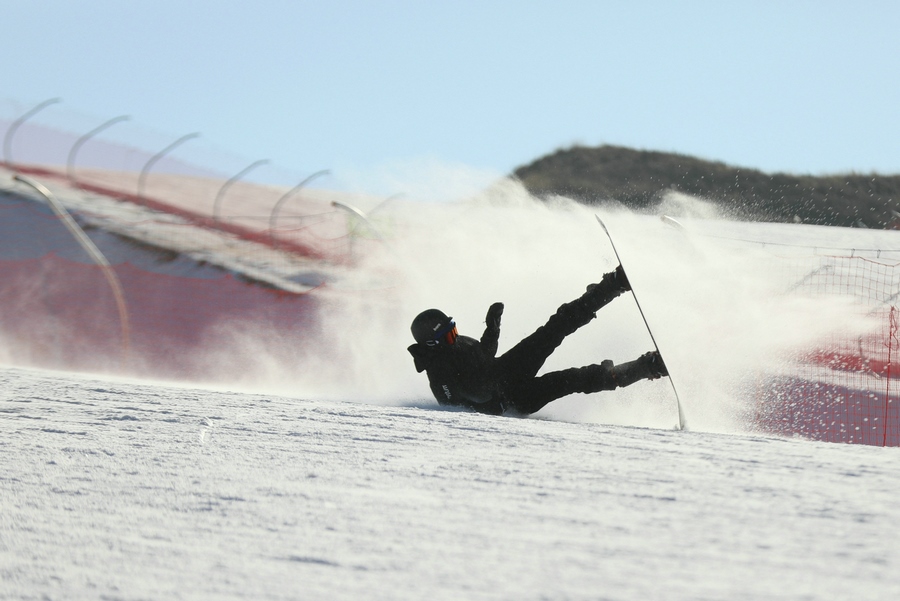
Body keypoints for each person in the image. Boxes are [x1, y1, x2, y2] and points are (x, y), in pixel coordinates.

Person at [407, 266, 668, 415]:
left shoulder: (455, 344)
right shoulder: (440, 376)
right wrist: (493, 401)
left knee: (554, 328)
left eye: (454, 330)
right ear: (433, 343)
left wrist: (492, 328)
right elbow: (463, 406)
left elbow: (485, 355)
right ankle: (647, 367)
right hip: (513, 398)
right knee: (573, 379)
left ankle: (611, 286)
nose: (454, 336)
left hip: (505, 370)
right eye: (448, 335)